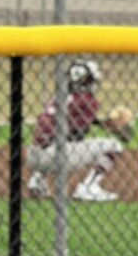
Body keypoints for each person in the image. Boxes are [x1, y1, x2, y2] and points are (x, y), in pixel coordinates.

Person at [26, 60, 127, 201]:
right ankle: (88, 188)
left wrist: (103, 124)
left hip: (33, 155)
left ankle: (37, 180)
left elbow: (64, 120)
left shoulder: (58, 96)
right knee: (114, 146)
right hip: (56, 156)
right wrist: (117, 131)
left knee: (54, 139)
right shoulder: (88, 100)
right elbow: (78, 132)